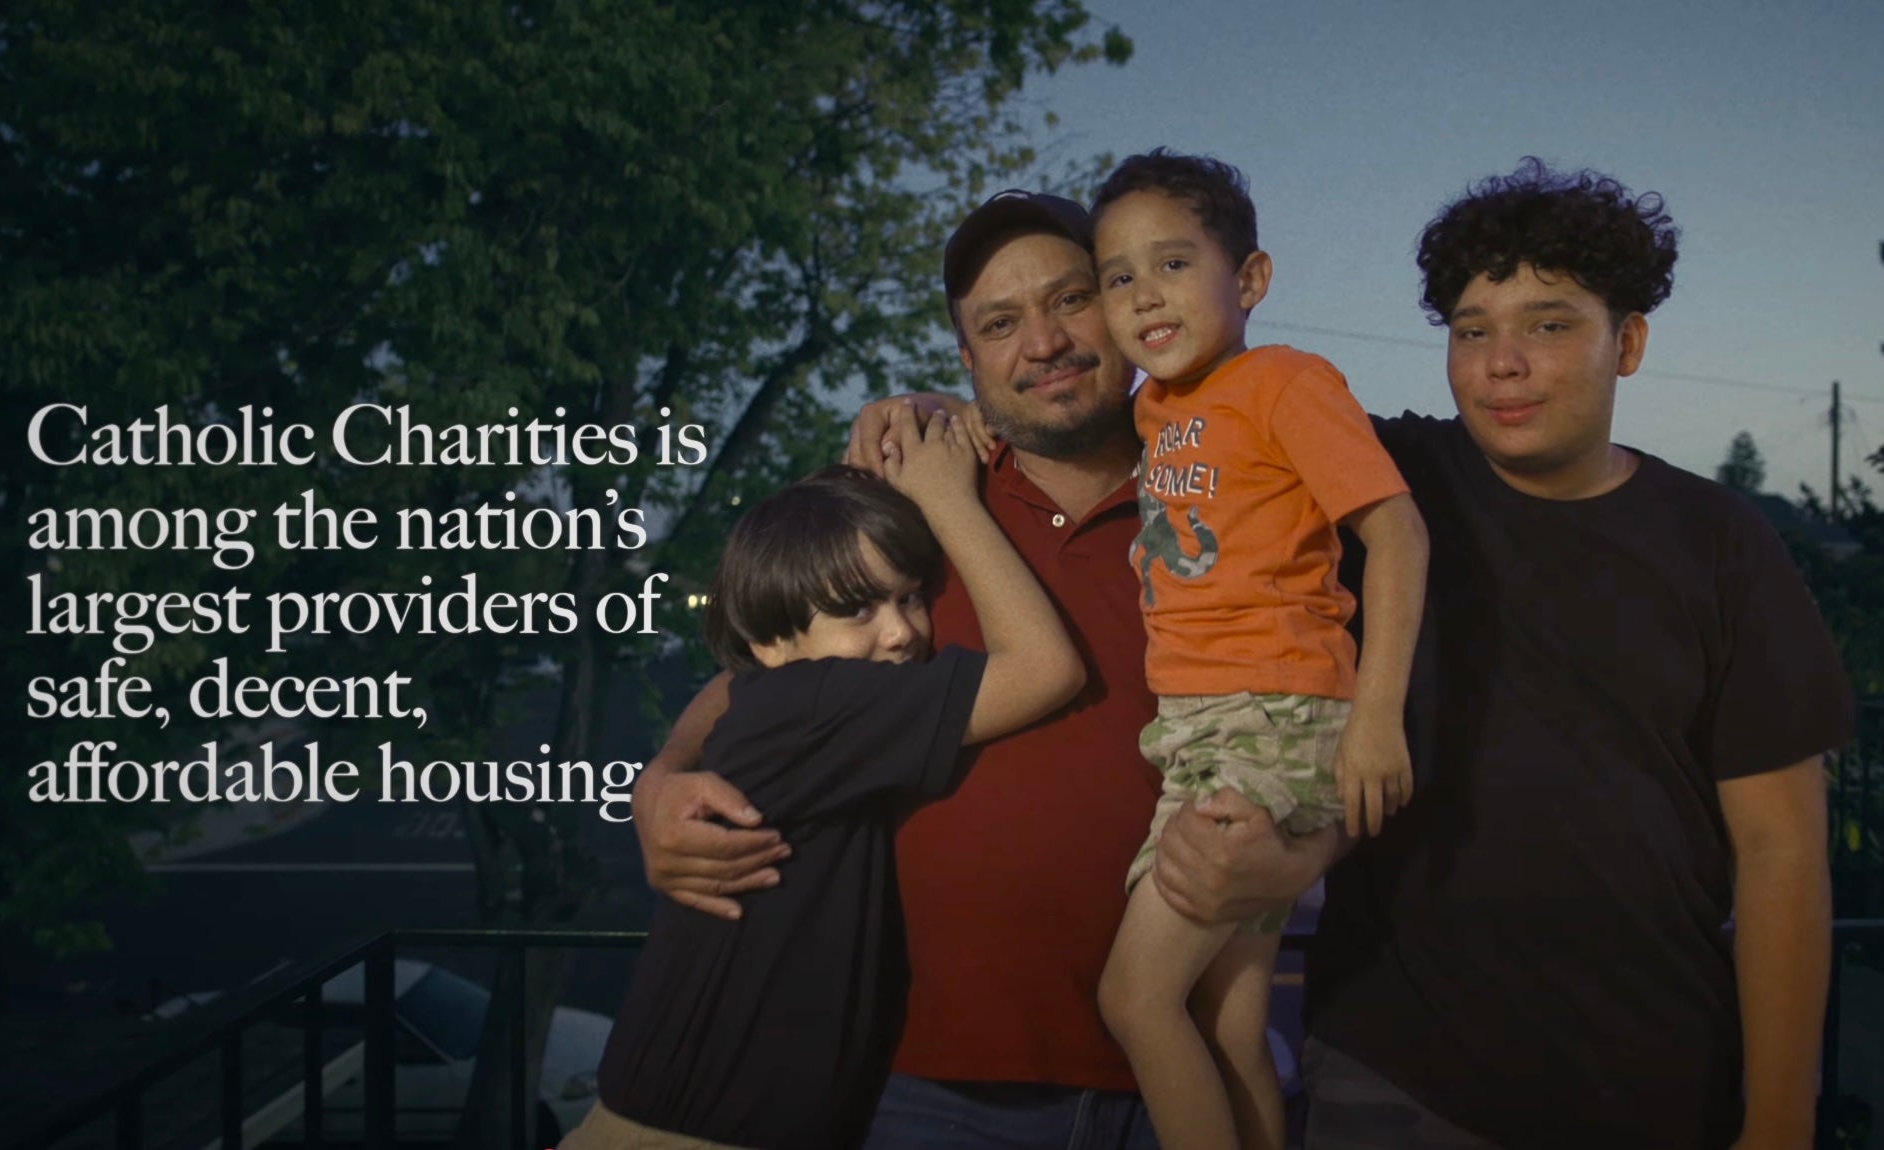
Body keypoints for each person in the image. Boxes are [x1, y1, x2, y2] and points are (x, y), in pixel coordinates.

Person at [1143, 160, 1852, 1149]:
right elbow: (1167, 449)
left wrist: (1779, 1119)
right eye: (1472, 331)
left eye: (1548, 325)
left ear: (1628, 342)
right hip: (1396, 1074)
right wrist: (951, 417)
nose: (1502, 363)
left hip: (1652, 1078)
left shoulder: (1722, 542)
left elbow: (1782, 850)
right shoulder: (1379, 484)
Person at [632, 189, 1172, 1149]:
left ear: (1122, 304)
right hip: (933, 1083)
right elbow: (772, 672)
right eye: (999, 324)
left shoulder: (1227, 485)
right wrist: (664, 778)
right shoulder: (913, 502)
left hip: (1179, 1071)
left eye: (1071, 299)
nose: (1043, 342)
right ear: (967, 359)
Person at [565, 436, 1085, 1149]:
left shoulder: (782, 699)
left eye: (910, 597)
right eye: (859, 610)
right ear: (772, 643)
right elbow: (1046, 669)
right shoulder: (819, 705)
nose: (900, 632)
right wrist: (949, 499)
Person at [1084, 150, 1428, 1150]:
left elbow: (1400, 534)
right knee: (1228, 1023)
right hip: (1200, 726)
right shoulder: (1155, 409)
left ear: (1251, 279)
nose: (1145, 294)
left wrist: (1377, 717)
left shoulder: (1285, 382)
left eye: (1174, 263)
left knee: (1134, 999)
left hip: (1267, 716)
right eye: (1118, 277)